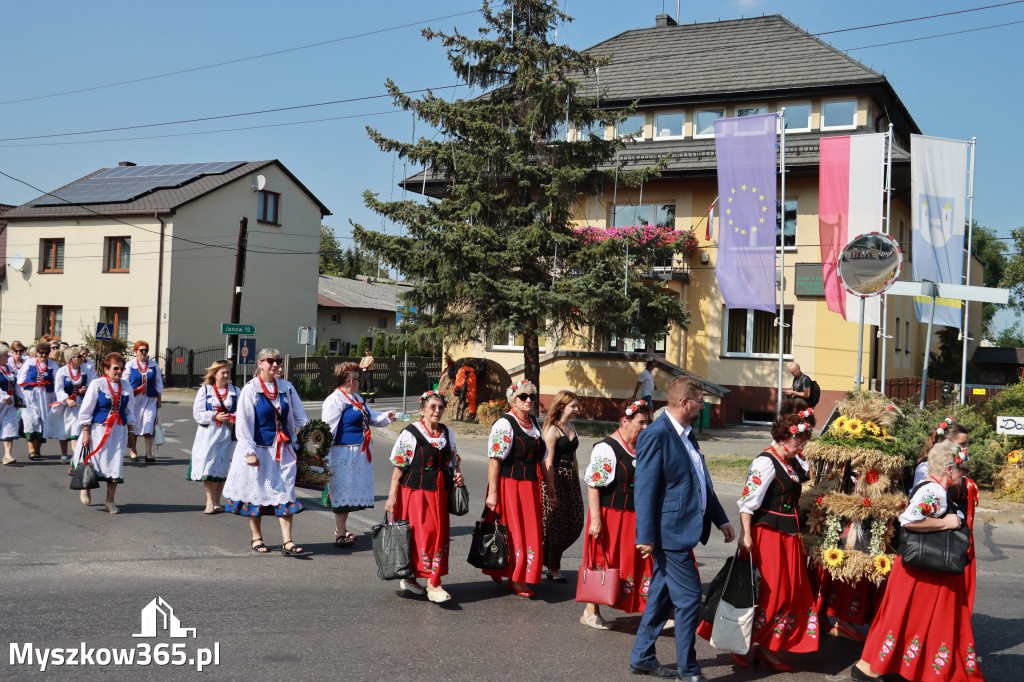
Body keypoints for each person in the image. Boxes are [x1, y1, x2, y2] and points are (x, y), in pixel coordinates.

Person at [630, 376, 735, 681]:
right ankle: (688, 670)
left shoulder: (688, 434)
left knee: (661, 597)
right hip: (669, 533)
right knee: (689, 600)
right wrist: (646, 536)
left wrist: (721, 519)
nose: (704, 406)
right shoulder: (656, 434)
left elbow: (701, 482)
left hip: (682, 528)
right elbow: (645, 489)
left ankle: (642, 657)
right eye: (701, 401)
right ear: (686, 403)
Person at [699, 404, 819, 671]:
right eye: (797, 441)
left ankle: (768, 648)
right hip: (767, 537)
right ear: (783, 438)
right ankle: (744, 644)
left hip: (787, 536)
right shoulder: (765, 462)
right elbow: (746, 504)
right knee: (766, 593)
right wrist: (746, 536)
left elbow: (803, 476)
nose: (800, 447)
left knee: (787, 592)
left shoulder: (789, 461)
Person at [851, 440, 982, 681]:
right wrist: (946, 522)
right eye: (963, 468)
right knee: (917, 619)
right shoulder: (934, 491)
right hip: (924, 571)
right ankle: (896, 668)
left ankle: (872, 665)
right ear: (949, 469)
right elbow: (909, 520)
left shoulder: (935, 488)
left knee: (903, 617)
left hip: (921, 569)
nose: (965, 474)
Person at [222, 348, 307, 556]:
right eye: (271, 361)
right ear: (260, 363)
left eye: (278, 361)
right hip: (259, 451)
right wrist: (249, 451)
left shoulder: (287, 388)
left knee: (286, 493)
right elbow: (244, 423)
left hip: (283, 450)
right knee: (257, 494)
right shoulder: (251, 389)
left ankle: (288, 541)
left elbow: (299, 416)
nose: (276, 365)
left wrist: (311, 435)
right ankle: (256, 537)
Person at [580, 399, 654, 629]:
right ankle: (590, 610)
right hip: (611, 515)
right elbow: (594, 485)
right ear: (625, 421)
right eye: (641, 422)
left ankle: (648, 610)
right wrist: (595, 520)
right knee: (603, 561)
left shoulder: (641, 446)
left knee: (637, 564)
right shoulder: (607, 448)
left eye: (647, 422)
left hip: (634, 515)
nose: (645, 426)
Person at [385, 389, 464, 602]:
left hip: (440, 493)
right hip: (415, 494)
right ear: (422, 410)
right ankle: (421, 580)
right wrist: (392, 497)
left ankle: (432, 581)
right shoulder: (410, 433)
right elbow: (398, 470)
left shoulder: (447, 433)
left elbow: (453, 460)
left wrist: (457, 475)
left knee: (438, 535)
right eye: (432, 407)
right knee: (422, 536)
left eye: (440, 407)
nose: (437, 411)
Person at [483, 380, 556, 597]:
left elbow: (543, 458)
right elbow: (495, 460)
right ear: (513, 400)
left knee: (530, 531)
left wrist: (549, 485)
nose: (529, 401)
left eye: (532, 397)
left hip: (530, 487)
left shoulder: (533, 423)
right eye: (523, 397)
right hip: (510, 487)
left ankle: (503, 568)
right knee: (511, 531)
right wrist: (494, 493)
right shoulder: (505, 424)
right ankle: (515, 578)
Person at [322, 362, 395, 547]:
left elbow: (370, 417)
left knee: (350, 491)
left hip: (359, 453)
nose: (360, 381)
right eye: (358, 378)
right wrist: (323, 456)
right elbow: (327, 430)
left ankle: (342, 528)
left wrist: (387, 416)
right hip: (343, 453)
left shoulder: (356, 398)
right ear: (351, 380)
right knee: (342, 491)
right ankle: (339, 533)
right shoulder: (335, 400)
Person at [72, 352, 135, 513]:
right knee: (94, 462)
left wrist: (131, 434)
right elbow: (86, 410)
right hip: (97, 431)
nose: (119, 372)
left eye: (121, 369)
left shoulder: (126, 386)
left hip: (118, 432)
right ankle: (86, 487)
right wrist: (85, 432)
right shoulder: (97, 384)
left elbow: (130, 412)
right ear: (106, 369)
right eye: (115, 368)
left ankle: (110, 501)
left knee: (115, 465)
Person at [541, 390, 584, 583]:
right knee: (556, 525)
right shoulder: (552, 430)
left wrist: (577, 479)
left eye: (577, 405)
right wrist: (550, 489)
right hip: (556, 479)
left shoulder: (572, 426)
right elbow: (548, 461)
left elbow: (574, 457)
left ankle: (548, 558)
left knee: (576, 522)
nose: (577, 409)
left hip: (570, 481)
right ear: (561, 407)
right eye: (573, 406)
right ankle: (553, 567)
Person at [189, 360, 239, 514]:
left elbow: (244, 412)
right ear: (215, 374)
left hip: (227, 434)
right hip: (209, 435)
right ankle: (209, 501)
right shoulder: (205, 390)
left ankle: (217, 500)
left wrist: (233, 417)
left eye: (228, 373)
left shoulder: (236, 391)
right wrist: (214, 416)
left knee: (223, 467)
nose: (226, 375)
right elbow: (197, 414)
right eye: (222, 372)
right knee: (209, 466)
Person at [17, 342, 59, 460]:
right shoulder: (29, 363)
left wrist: (57, 398)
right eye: (41, 353)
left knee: (43, 422)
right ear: (37, 352)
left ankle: (37, 448)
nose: (43, 355)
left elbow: (58, 382)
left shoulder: (53, 365)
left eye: (46, 353)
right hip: (29, 395)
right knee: (30, 419)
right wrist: (20, 395)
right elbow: (20, 380)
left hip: (46, 396)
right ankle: (31, 449)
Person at [126, 341, 163, 463]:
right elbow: (125, 382)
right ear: (135, 351)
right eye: (141, 350)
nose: (143, 352)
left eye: (146, 350)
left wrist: (159, 398)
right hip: (135, 399)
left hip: (150, 399)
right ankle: (133, 450)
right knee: (135, 423)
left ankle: (148, 453)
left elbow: (158, 382)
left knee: (148, 423)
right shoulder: (130, 365)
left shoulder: (153, 365)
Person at [53, 346, 92, 464]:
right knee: (64, 429)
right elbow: (58, 389)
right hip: (65, 405)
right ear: (70, 359)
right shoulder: (62, 371)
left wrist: (85, 388)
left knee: (76, 428)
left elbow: (92, 382)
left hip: (79, 403)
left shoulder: (85, 369)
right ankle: (64, 454)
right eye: (78, 356)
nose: (81, 358)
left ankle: (75, 454)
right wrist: (67, 399)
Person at [0, 344, 19, 465]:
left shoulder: (9, 368)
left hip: (10, 403)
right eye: (6, 355)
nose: (8, 357)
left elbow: (16, 385)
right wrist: (3, 397)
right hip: (2, 400)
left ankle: (7, 455)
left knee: (9, 426)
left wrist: (22, 399)